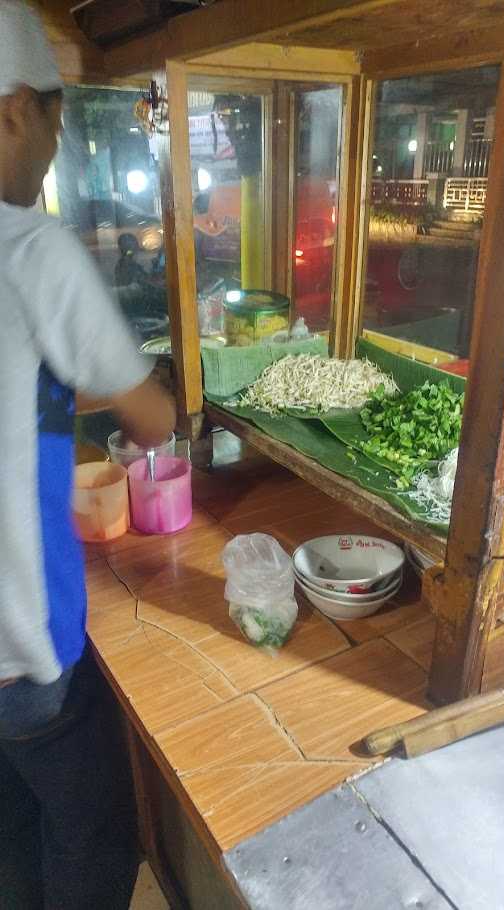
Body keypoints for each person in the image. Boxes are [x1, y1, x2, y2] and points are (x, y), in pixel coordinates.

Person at [0, 3, 176, 907]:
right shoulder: (29, 247)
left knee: (14, 836)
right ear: (15, 111)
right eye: (58, 125)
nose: (51, 154)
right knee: (96, 836)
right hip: (21, 655)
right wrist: (165, 396)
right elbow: (148, 416)